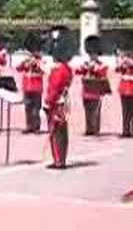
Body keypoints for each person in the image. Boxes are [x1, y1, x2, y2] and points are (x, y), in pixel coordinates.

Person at [43, 27, 75, 169]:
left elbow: (54, 89)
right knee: (62, 132)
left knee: (56, 132)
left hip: (56, 103)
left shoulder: (58, 70)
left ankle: (58, 160)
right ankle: (61, 159)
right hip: (63, 102)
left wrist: (47, 103)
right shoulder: (67, 68)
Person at [75, 35, 111, 136]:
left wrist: (92, 67)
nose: (92, 56)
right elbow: (77, 71)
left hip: (96, 92)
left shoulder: (101, 65)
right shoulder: (85, 63)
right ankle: (88, 128)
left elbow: (101, 72)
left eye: (94, 54)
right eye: (90, 54)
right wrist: (85, 67)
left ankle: (95, 129)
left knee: (95, 112)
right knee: (87, 111)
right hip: (86, 91)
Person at [16, 33, 45, 134]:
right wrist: (24, 63)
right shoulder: (27, 59)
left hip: (37, 87)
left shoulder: (41, 60)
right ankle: (29, 126)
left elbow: (44, 70)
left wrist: (36, 64)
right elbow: (18, 69)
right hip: (27, 86)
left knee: (36, 108)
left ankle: (36, 127)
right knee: (27, 107)